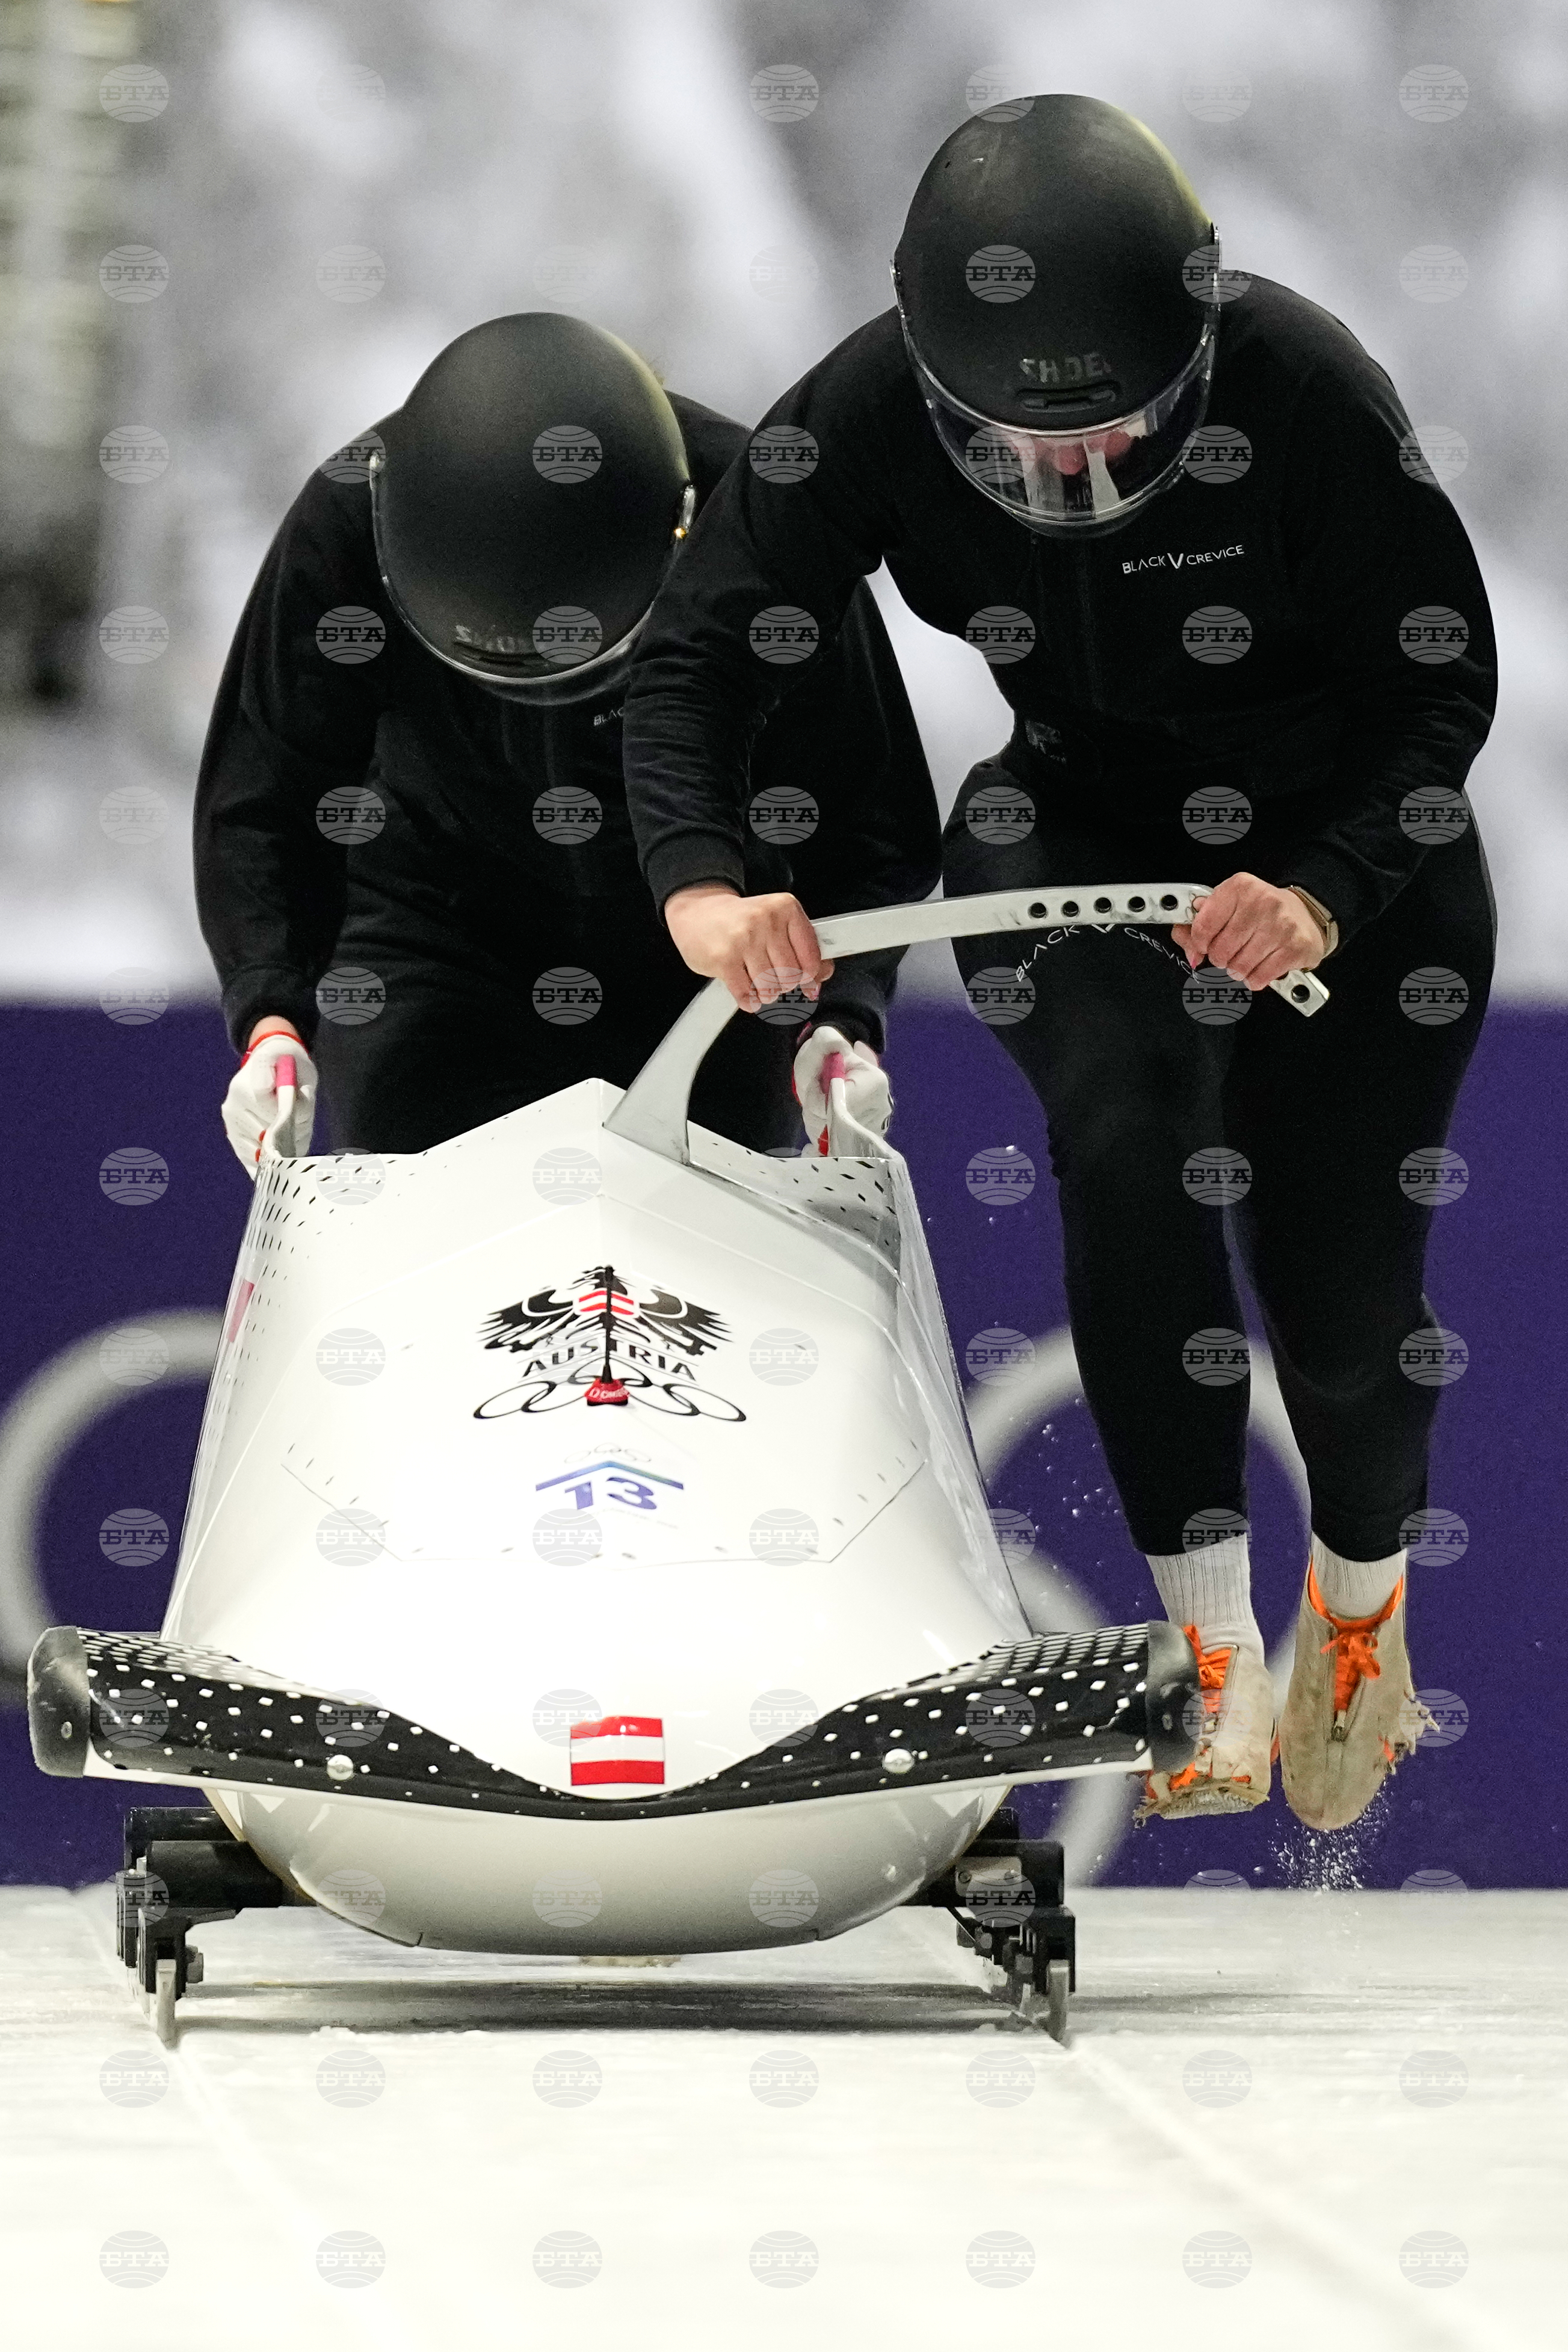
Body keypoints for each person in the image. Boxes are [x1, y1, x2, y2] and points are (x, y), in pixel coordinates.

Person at [621, 96, 1496, 1835]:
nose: (1070, 493)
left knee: (1334, 1309)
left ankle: (1353, 1593)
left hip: (1340, 848)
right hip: (1076, 821)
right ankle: (1202, 1647)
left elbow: (1436, 686)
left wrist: (1319, 887)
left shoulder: (1301, 389)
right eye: (1019, 460)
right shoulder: (858, 408)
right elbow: (696, 651)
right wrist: (699, 887)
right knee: (1123, 1122)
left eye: (1118, 444)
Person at [196, 310, 937, 1180]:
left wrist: (840, 1017)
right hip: (440, 933)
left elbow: (864, 805)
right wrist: (271, 1016)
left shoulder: (761, 515)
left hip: (707, 950)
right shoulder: (345, 525)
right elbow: (266, 798)